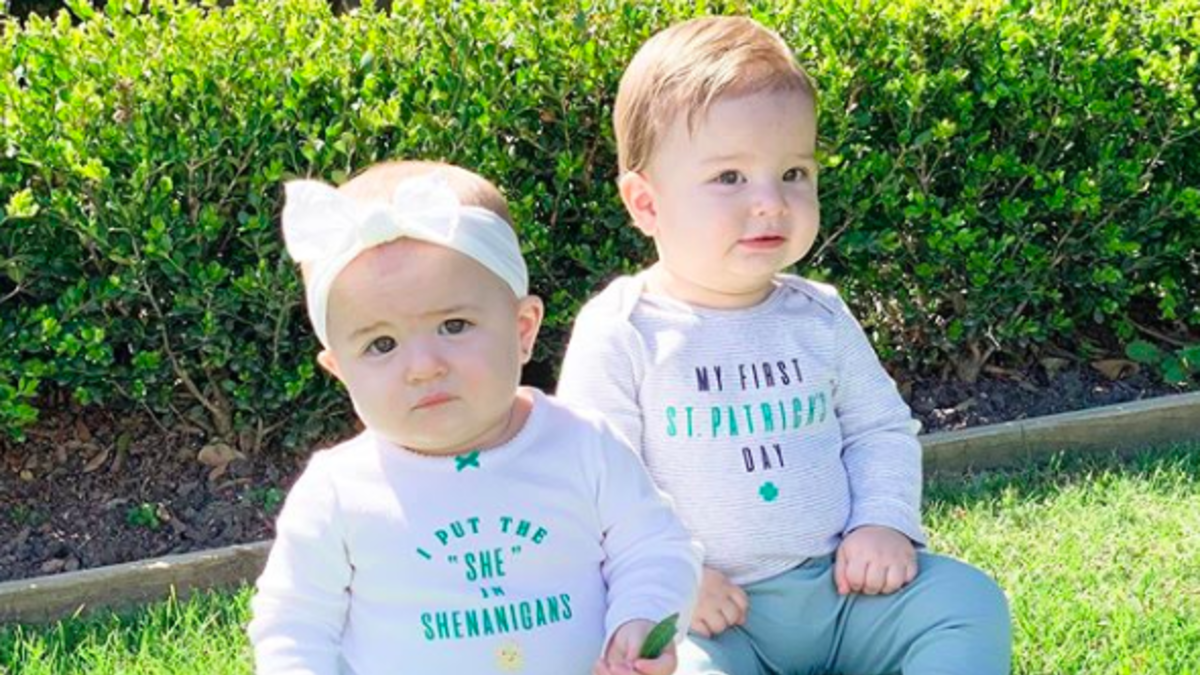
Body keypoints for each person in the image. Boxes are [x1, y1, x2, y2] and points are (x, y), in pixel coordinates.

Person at [557, 17, 1011, 675]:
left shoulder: (818, 316)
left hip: (842, 590)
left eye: (793, 171)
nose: (771, 202)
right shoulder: (623, 329)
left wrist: (881, 522)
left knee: (966, 601)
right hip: (708, 613)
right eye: (730, 177)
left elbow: (878, 429)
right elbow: (596, 486)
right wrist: (670, 577)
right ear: (647, 204)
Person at [249, 160, 701, 675]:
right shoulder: (338, 492)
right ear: (340, 370)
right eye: (382, 344)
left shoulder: (583, 446)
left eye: (454, 325)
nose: (423, 367)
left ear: (523, 329)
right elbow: (294, 626)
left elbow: (654, 547)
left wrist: (640, 616)